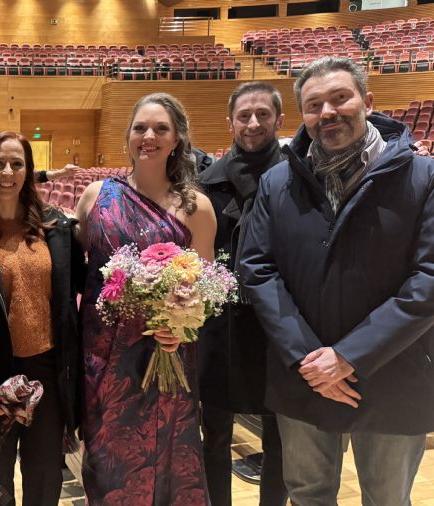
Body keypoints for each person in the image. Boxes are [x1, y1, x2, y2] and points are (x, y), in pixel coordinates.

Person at [239, 56, 434, 505]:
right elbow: (258, 268)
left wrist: (349, 356)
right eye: (314, 105)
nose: (327, 112)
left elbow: (429, 278)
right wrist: (309, 358)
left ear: (368, 101)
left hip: (393, 370)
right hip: (304, 373)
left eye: (340, 98)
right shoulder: (276, 182)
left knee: (387, 499)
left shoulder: (424, 177)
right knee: (308, 496)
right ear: (303, 115)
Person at [75, 92, 216, 505]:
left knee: (165, 462)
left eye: (160, 129)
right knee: (107, 464)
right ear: (128, 137)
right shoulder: (96, 196)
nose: (148, 136)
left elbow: (206, 291)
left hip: (165, 355)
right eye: (140, 128)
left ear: (177, 140)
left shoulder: (196, 207)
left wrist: (181, 327)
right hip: (103, 357)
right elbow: (80, 271)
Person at [0, 131, 84, 506]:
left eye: (16, 164)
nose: (7, 172)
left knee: (45, 476)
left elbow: (78, 294)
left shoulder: (57, 229)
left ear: (29, 170)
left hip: (47, 371)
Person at [197, 81, 288, 506]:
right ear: (230, 122)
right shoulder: (204, 184)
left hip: (278, 326)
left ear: (279, 120)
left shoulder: (298, 178)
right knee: (214, 436)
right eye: (244, 115)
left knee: (280, 439)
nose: (253, 123)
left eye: (263, 114)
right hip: (220, 329)